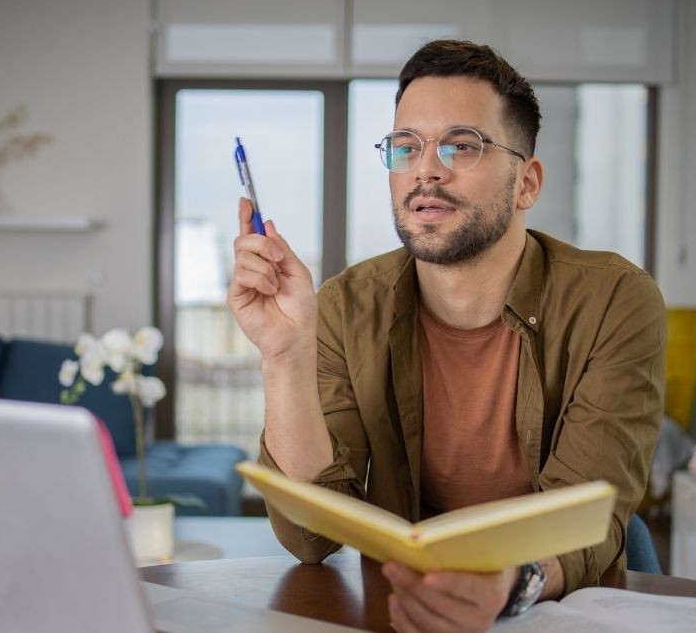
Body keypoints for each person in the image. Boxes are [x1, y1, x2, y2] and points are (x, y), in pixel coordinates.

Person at [227, 39, 665, 632]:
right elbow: (309, 538)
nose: (426, 169)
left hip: (551, 606)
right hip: (403, 605)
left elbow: (591, 517)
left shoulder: (614, 299)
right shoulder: (343, 306)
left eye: (462, 145)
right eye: (405, 147)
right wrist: (285, 355)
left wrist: (507, 587)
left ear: (526, 184)